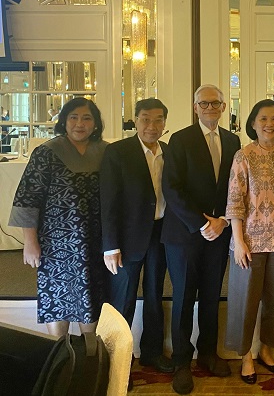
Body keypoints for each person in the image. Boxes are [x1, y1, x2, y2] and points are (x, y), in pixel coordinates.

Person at [161, 84, 241, 395]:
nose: (210, 108)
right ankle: (182, 361)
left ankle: (208, 353)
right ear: (195, 107)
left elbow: (235, 187)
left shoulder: (233, 141)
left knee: (211, 296)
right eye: (203, 103)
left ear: (224, 107)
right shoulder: (180, 140)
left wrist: (223, 221)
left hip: (219, 232)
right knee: (183, 298)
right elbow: (172, 187)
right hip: (184, 235)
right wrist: (201, 223)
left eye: (215, 103)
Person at [9, 98, 108, 336]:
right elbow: (27, 199)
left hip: (96, 240)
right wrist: (30, 242)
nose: (79, 124)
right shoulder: (46, 153)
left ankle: (89, 351)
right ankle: (58, 351)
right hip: (56, 243)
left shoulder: (106, 152)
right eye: (73, 117)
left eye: (87, 118)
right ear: (63, 121)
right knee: (57, 297)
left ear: (95, 124)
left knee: (93, 296)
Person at [100, 98, 174, 375]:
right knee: (123, 300)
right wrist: (110, 246)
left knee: (155, 295)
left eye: (158, 120)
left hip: (160, 234)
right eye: (145, 119)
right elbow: (108, 201)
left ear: (165, 123)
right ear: (135, 120)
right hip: (127, 238)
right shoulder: (118, 152)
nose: (151, 126)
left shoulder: (169, 152)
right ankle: (117, 363)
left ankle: (152, 353)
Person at [225, 99, 274, 384]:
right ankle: (245, 356)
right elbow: (234, 200)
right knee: (245, 300)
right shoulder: (244, 155)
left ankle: (266, 350)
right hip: (250, 241)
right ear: (253, 123)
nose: (269, 124)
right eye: (263, 119)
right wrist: (238, 241)